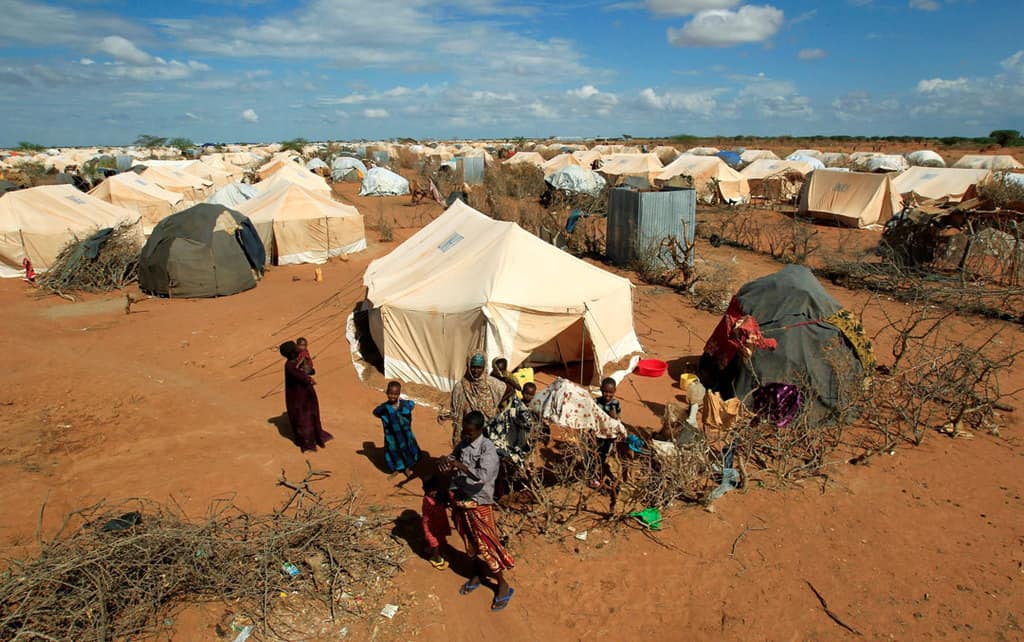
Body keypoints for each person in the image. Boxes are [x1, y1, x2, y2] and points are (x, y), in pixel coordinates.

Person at [439, 411, 515, 612]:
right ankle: (477, 573)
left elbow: (481, 477)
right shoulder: (464, 443)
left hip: (479, 502)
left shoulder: (487, 449)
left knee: (486, 545)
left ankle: (502, 585)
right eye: (464, 430)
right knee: (469, 542)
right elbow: (453, 457)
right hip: (460, 499)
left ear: (480, 430)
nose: (465, 434)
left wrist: (460, 466)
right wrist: (445, 462)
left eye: (470, 432)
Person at [445, 352, 508, 446]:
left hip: (488, 432)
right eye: (473, 367)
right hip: (468, 433)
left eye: (479, 367)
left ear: (484, 367)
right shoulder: (460, 387)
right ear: (468, 366)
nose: (475, 371)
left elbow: (507, 395)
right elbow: (456, 413)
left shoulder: (494, 385)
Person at [280, 341, 332, 452]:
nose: (298, 348)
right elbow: (303, 377)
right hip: (298, 396)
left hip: (305, 393)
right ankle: (306, 441)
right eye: (296, 347)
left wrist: (308, 367)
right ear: (292, 352)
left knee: (311, 413)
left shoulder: (295, 361)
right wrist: (308, 378)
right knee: (303, 417)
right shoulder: (290, 365)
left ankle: (315, 435)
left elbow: (309, 372)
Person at [372, 381, 421, 477]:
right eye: (390, 393)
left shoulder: (404, 404)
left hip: (404, 435)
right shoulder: (385, 407)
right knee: (393, 451)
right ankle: (398, 467)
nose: (392, 396)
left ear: (399, 394)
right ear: (386, 392)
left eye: (395, 394)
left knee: (406, 450)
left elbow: (412, 404)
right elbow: (376, 412)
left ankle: (407, 467)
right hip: (391, 436)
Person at [590, 378, 621, 489]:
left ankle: (602, 476)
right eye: (605, 391)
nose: (607, 395)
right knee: (595, 455)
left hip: (609, 436)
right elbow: (591, 417)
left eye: (610, 392)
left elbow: (617, 420)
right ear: (601, 390)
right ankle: (594, 477)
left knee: (605, 456)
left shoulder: (616, 403)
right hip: (597, 434)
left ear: (615, 391)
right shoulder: (596, 402)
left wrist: (614, 416)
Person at [421, 476, 452, 570]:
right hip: (431, 525)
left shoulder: (438, 496)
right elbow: (435, 506)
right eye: (430, 490)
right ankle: (437, 558)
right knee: (435, 543)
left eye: (435, 490)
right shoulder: (427, 500)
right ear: (425, 490)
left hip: (440, 522)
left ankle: (435, 550)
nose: (433, 493)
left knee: (439, 539)